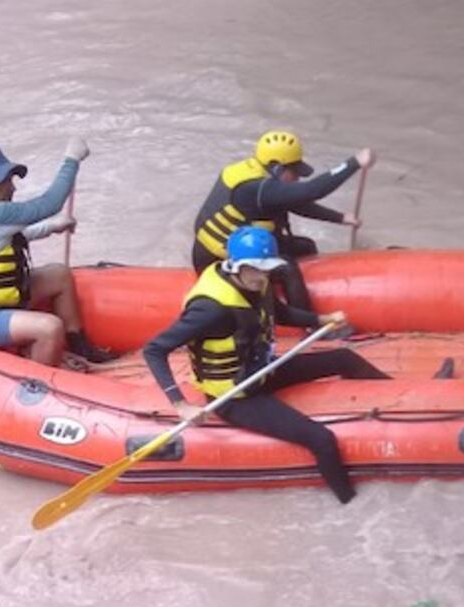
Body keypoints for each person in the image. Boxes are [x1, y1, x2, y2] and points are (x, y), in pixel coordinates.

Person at [145, 226, 390, 504]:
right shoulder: (210, 310)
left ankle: (401, 397)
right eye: (256, 270)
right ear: (236, 266)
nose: (263, 277)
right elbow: (154, 350)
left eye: (267, 270)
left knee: (344, 358)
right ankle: (351, 506)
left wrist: (320, 320)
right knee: (322, 440)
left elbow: (279, 312)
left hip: (261, 370)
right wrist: (180, 404)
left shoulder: (255, 282)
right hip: (235, 395)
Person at [192, 130, 374, 310]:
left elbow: (293, 202)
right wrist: (354, 163)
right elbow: (311, 191)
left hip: (239, 245)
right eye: (294, 171)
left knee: (305, 246)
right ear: (276, 167)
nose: (297, 177)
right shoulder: (255, 187)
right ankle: (310, 326)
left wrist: (340, 218)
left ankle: (309, 291)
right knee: (287, 267)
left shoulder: (259, 174)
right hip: (216, 259)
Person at [0, 139, 118, 366]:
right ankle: (39, 385)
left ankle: (80, 347)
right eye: (7, 181)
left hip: (3, 299)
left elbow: (6, 238)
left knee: (59, 274)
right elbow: (50, 204)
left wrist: (51, 227)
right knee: (49, 327)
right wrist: (71, 160)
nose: (13, 187)